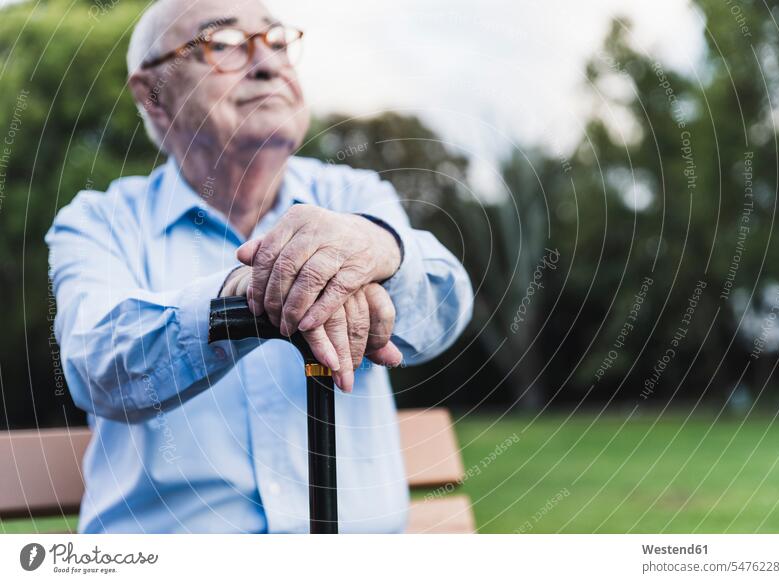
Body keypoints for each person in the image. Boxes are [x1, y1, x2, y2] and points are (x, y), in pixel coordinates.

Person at [46, 0, 473, 533]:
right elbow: (95, 363)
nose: (267, 63)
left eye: (275, 41)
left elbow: (444, 303)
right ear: (152, 94)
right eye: (222, 44)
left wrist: (376, 246)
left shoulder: (353, 194)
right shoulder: (99, 221)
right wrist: (248, 292)